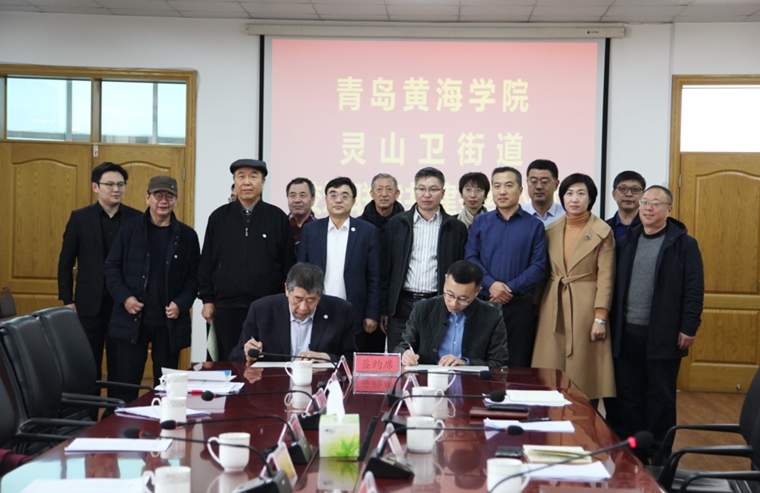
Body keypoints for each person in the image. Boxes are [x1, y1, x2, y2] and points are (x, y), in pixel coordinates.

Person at [611, 185, 704, 463]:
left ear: (669, 209)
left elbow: (694, 289)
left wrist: (689, 326)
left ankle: (660, 453)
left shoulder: (684, 244)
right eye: (645, 202)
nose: (648, 208)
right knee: (630, 397)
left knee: (661, 398)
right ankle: (636, 452)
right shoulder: (628, 240)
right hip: (627, 334)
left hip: (664, 334)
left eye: (655, 203)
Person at [104, 176, 200, 404]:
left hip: (168, 324)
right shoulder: (130, 229)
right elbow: (111, 267)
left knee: (166, 387)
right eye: (158, 195)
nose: (163, 201)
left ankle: (164, 423)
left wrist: (181, 303)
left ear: (176, 200)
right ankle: (124, 424)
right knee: (126, 386)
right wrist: (125, 298)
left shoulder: (187, 236)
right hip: (132, 319)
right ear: (147, 198)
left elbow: (194, 278)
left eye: (169, 196)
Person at [57, 162, 141, 402]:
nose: (116, 189)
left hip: (122, 304)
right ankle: (88, 414)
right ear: (96, 187)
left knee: (120, 364)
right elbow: (65, 262)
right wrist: (67, 300)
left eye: (121, 184)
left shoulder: (136, 218)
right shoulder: (80, 218)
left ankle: (115, 412)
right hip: (88, 304)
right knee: (87, 364)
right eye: (110, 184)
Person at [198, 159, 296, 361]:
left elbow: (289, 265)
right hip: (225, 307)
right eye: (241, 176)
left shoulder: (277, 218)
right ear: (234, 181)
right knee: (225, 362)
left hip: (267, 306)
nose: (247, 182)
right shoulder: (218, 218)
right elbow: (207, 261)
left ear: (263, 182)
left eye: (253, 176)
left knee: (264, 362)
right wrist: (207, 300)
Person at [531, 173, 615, 403]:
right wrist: (536, 308)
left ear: (591, 199)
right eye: (569, 193)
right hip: (553, 303)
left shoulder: (603, 231)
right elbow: (543, 274)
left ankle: (584, 420)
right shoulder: (550, 230)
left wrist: (600, 317)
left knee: (584, 375)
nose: (574, 199)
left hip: (586, 307)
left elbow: (606, 278)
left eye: (581, 193)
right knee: (549, 372)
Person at [466, 166, 546, 367]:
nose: (502, 191)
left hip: (519, 307)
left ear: (520, 190)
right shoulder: (480, 222)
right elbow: (471, 258)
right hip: (484, 304)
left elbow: (538, 266)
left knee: (517, 366)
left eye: (508, 186)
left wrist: (508, 289)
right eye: (497, 186)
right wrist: (491, 285)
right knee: (480, 364)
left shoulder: (534, 225)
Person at [382, 167, 469, 352]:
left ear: (443, 193)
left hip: (437, 304)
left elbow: (459, 269)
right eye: (421, 188)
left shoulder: (456, 228)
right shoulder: (397, 224)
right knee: (399, 359)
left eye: (433, 189)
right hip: (401, 305)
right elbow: (385, 269)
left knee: (433, 359)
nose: (427, 194)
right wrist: (384, 308)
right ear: (414, 191)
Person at [298, 177, 381, 353]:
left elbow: (375, 277)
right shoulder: (311, 230)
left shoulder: (367, 231)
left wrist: (372, 314)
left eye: (344, 195)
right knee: (318, 359)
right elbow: (301, 272)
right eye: (333, 195)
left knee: (350, 360)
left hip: (354, 311)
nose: (338, 200)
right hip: (316, 309)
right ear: (326, 199)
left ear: (354, 201)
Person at [229, 263, 356, 363]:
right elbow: (235, 355)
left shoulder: (341, 311)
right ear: (286, 290)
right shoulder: (261, 309)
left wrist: (326, 357)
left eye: (311, 300)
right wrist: (247, 354)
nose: (303, 307)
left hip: (320, 382)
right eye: (298, 299)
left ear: (320, 295)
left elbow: (352, 359)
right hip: (273, 382)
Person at [396, 261, 507, 367]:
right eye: (449, 295)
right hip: (428, 377)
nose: (453, 303)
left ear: (477, 292)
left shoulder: (492, 316)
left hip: (469, 378)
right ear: (445, 280)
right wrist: (405, 355)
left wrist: (466, 363)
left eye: (463, 299)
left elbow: (498, 362)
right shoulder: (423, 308)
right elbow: (403, 346)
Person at [522, 159, 564, 227]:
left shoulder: (566, 215)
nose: (539, 187)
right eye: (533, 181)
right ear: (527, 183)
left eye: (544, 182)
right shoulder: (518, 215)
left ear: (556, 185)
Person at [607, 170, 646, 241]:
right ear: (614, 194)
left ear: (643, 195)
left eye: (635, 189)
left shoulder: (649, 226)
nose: (629, 194)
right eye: (623, 189)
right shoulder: (602, 227)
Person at [287, 177, 317, 250]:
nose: (297, 200)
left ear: (312, 200)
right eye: (292, 195)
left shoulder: (320, 229)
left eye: (302, 195)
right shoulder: (280, 227)